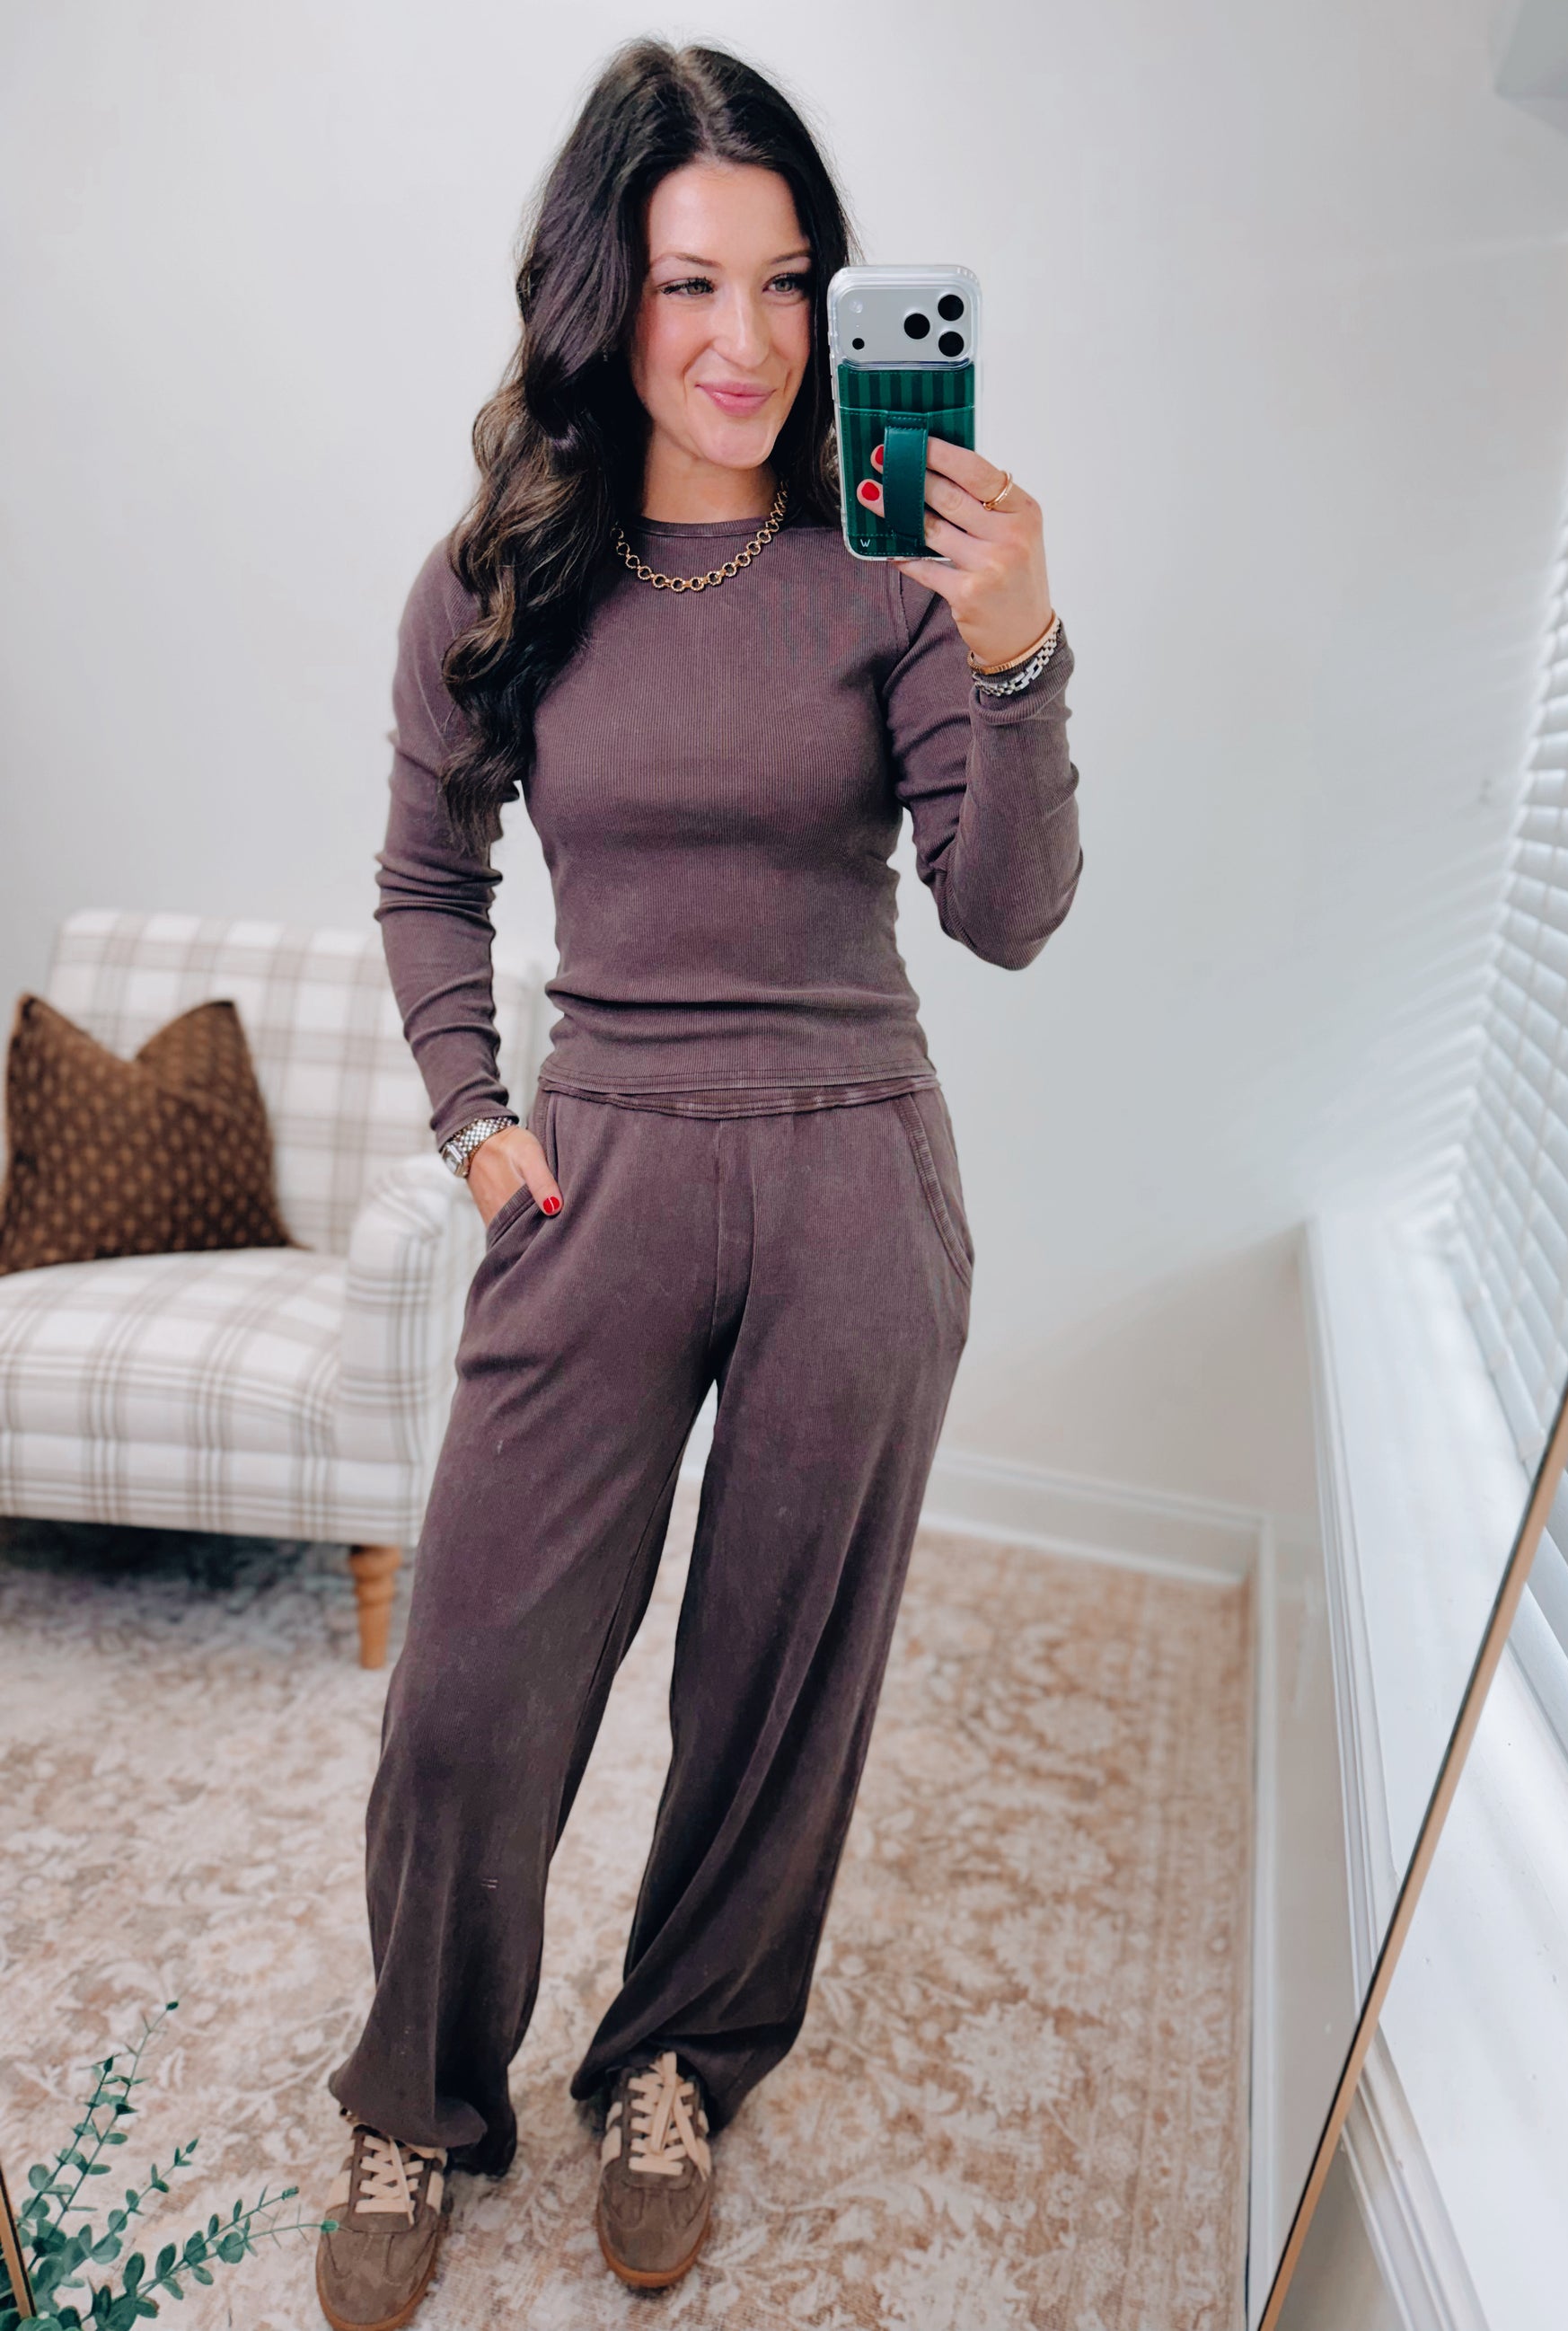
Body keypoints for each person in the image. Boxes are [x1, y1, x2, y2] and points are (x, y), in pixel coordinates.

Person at [315, 37, 1080, 2330]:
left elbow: (1005, 912)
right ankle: (418, 2090)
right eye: (686, 284)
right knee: (470, 1682)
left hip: (856, 1167)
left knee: (776, 1679)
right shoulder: (503, 573)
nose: (744, 341)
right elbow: (425, 874)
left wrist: (1020, 648)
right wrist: (476, 1116)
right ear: (604, 295)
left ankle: (674, 2059)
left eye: (783, 281)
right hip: (604, 1161)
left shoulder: (896, 562)